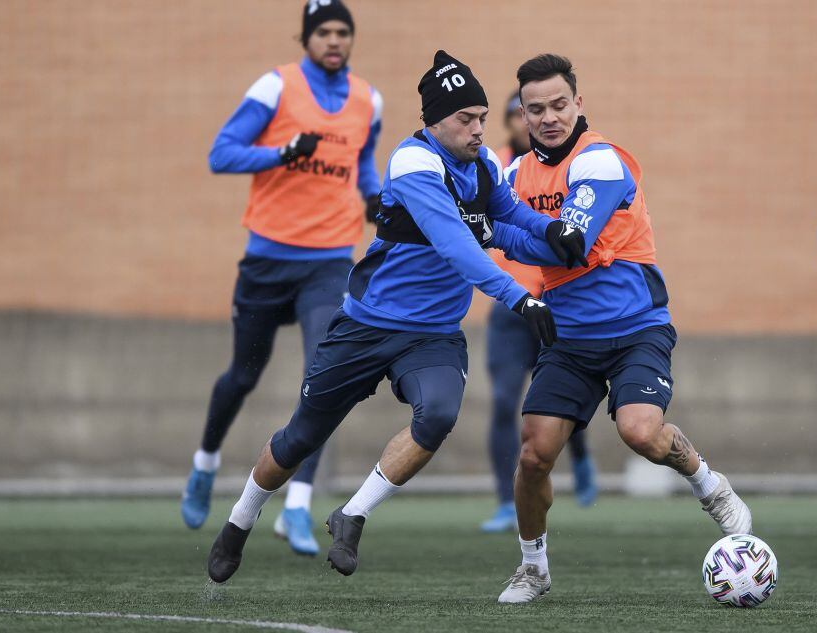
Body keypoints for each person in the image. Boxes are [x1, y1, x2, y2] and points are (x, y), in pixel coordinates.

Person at [205, 50, 587, 584]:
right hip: (368, 325)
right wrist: (519, 298)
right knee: (298, 438)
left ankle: (353, 513)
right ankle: (239, 522)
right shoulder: (413, 163)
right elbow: (457, 244)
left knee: (437, 416)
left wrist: (554, 235)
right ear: (433, 120)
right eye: (466, 118)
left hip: (432, 335)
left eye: (482, 117)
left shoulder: (481, 165)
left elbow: (504, 219)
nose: (479, 128)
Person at [486, 54, 753, 603]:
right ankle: (533, 568)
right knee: (534, 454)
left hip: (636, 328)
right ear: (523, 115)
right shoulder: (513, 175)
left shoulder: (602, 162)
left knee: (639, 432)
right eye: (536, 109)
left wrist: (495, 228)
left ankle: (709, 484)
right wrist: (484, 223)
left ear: (578, 104)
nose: (549, 117)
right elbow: (503, 231)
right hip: (569, 337)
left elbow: (567, 242)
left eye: (559, 104)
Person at [180, 0, 383, 558]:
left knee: (325, 374)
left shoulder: (369, 99)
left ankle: (297, 504)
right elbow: (220, 155)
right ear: (306, 38)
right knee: (242, 376)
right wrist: (282, 152)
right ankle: (205, 463)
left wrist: (374, 198)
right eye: (324, 32)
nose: (335, 41)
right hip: (268, 259)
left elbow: (362, 163)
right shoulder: (275, 88)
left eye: (344, 32)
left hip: (329, 259)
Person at [480, 92, 597, 534]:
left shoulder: (567, 169)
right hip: (512, 310)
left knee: (565, 400)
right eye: (521, 112)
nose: (535, 119)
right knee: (506, 402)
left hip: (557, 304)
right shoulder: (498, 173)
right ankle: (504, 502)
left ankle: (581, 459)